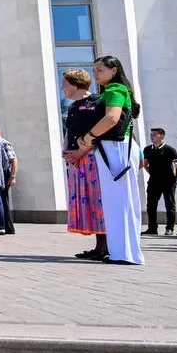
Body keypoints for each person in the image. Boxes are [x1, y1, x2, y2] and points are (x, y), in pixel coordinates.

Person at [78, 55, 144, 265]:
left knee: (120, 201)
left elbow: (112, 118)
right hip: (113, 148)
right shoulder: (111, 91)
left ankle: (126, 254)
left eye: (100, 70)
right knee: (117, 202)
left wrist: (88, 137)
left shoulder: (115, 90)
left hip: (116, 148)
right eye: (94, 70)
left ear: (114, 70)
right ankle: (121, 252)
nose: (96, 74)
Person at [60, 68, 107, 260]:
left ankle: (106, 246)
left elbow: (101, 132)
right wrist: (65, 151)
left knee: (98, 201)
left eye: (65, 84)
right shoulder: (72, 106)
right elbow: (69, 131)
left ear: (74, 84)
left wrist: (81, 152)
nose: (63, 87)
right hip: (76, 161)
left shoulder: (97, 103)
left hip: (91, 158)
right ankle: (99, 246)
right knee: (87, 202)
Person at [142, 128, 177, 236]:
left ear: (162, 136)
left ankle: (170, 228)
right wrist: (152, 173)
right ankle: (152, 228)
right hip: (153, 182)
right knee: (151, 205)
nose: (151, 137)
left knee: (170, 205)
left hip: (168, 182)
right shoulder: (147, 149)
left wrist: (175, 178)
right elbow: (145, 164)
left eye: (154, 135)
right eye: (151, 135)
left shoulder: (170, 150)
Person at [0, 126, 18, 234]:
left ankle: (8, 227)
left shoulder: (4, 143)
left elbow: (14, 160)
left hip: (4, 173)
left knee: (3, 200)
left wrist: (13, 177)